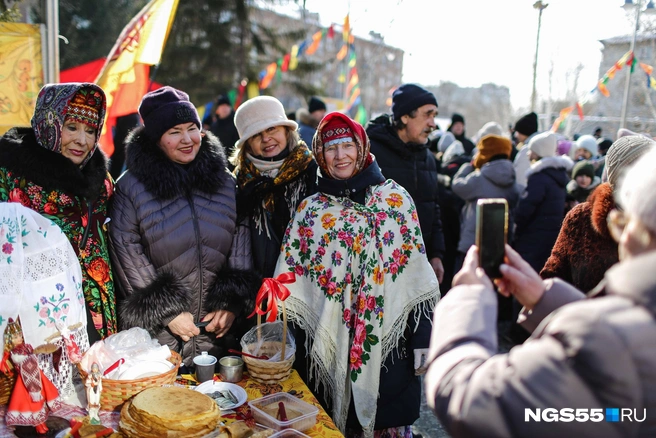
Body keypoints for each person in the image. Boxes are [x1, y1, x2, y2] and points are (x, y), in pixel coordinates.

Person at [425, 147, 656, 438]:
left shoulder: (608, 338)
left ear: (642, 233)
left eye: (623, 224)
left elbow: (469, 399)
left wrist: (467, 299)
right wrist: (547, 299)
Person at [275, 112, 440, 437]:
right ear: (320, 155)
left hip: (392, 350)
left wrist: (423, 336)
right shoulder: (311, 211)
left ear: (361, 147)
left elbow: (416, 277)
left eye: (347, 145)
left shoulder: (395, 200)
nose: (340, 156)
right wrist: (286, 345)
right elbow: (290, 285)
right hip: (327, 344)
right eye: (330, 148)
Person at [109, 86, 260, 367]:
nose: (187, 139)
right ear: (156, 138)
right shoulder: (131, 187)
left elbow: (239, 237)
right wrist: (168, 313)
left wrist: (231, 304)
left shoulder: (224, 181)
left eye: (192, 128)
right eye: (174, 132)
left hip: (217, 334)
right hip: (160, 339)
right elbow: (125, 249)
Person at [0, 83, 116, 342]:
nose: (82, 140)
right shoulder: (10, 174)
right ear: (48, 122)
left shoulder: (101, 180)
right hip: (37, 309)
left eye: (90, 130)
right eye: (71, 127)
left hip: (95, 306)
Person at [541, 135, 655, 292]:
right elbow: (553, 275)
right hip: (583, 314)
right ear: (621, 176)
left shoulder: (651, 224)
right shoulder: (581, 217)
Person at [230, 95, 318, 278]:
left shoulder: (311, 170)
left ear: (286, 131)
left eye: (272, 129)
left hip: (304, 280)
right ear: (247, 145)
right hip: (255, 287)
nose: (266, 139)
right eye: (256, 135)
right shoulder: (239, 182)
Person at [366, 83, 446, 283]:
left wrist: (436, 254)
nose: (433, 123)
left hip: (419, 266)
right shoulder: (370, 153)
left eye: (434, 115)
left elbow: (432, 206)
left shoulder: (427, 157)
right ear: (404, 117)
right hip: (378, 270)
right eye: (427, 114)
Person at [451, 134, 521, 273]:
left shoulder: (480, 178)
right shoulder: (512, 179)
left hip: (473, 241)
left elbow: (457, 186)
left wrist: (468, 166)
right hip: (499, 243)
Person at [512, 131, 572, 273]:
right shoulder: (558, 176)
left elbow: (526, 208)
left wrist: (516, 226)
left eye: (531, 151)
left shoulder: (538, 178)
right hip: (549, 237)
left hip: (533, 238)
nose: (528, 154)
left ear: (539, 153)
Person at [3, 318, 62, 434]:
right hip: (25, 381)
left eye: (20, 335)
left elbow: (33, 356)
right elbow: (20, 362)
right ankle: (38, 425)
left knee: (40, 400)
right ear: (10, 340)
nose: (19, 338)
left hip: (36, 376)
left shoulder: (27, 347)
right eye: (15, 337)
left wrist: (36, 353)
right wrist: (32, 357)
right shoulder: (15, 352)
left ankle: (42, 423)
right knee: (32, 403)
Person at [209, 94, 240, 165]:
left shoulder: (237, 121)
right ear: (218, 109)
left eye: (226, 106)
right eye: (222, 106)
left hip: (237, 160)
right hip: (221, 163)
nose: (224, 109)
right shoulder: (214, 126)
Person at [511, 111, 539, 190]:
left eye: (518, 132)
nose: (516, 135)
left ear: (524, 132)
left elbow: (521, 179)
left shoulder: (527, 150)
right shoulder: (540, 147)